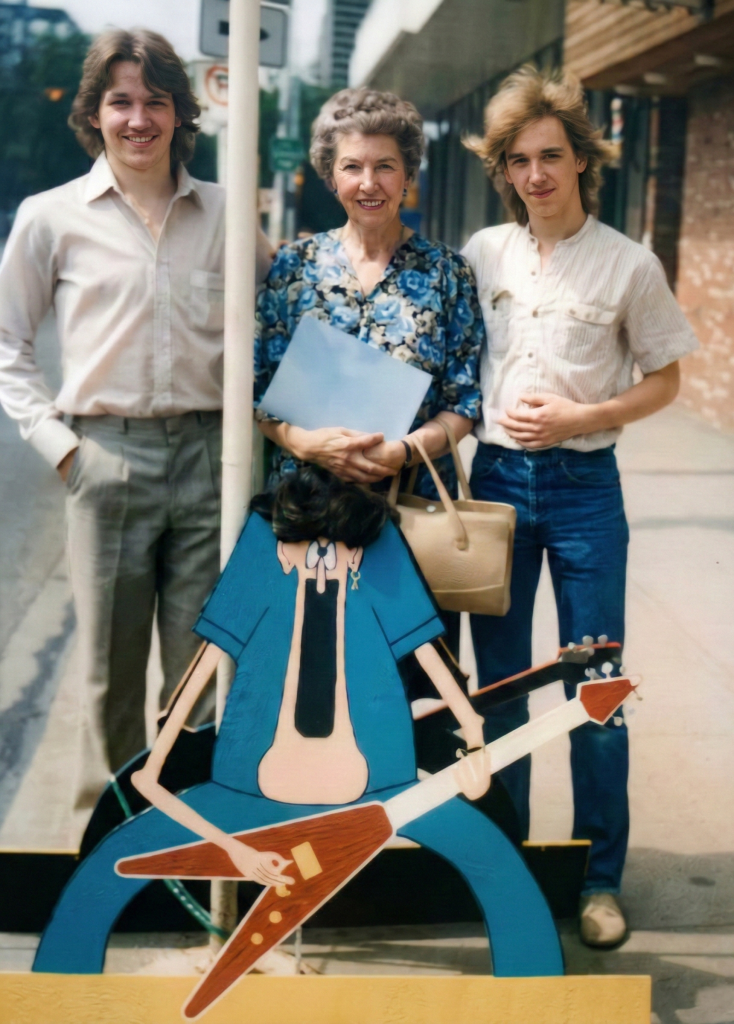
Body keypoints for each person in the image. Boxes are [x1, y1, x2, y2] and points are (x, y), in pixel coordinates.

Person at [33, 467, 563, 980]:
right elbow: (155, 768)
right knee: (103, 873)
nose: (323, 561)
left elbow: (432, 657)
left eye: (338, 550)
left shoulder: (372, 566)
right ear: (283, 550)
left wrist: (476, 748)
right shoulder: (265, 562)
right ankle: (62, 981)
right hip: (252, 786)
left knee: (496, 863)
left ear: (357, 553)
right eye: (307, 549)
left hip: (378, 784)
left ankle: (533, 986)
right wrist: (234, 846)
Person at [0, 29, 273, 808]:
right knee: (108, 674)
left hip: (210, 462)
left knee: (203, 672)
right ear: (95, 113)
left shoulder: (225, 213)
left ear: (181, 113)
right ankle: (113, 836)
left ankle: (188, 831)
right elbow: (7, 343)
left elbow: (285, 313)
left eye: (156, 101)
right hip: (105, 460)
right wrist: (63, 449)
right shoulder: (50, 217)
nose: (139, 119)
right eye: (121, 101)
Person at [461, 66, 698, 947]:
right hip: (495, 485)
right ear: (504, 170)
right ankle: (507, 873)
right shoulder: (484, 253)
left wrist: (583, 417)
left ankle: (599, 881)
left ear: (583, 161)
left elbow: (666, 378)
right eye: (519, 160)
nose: (536, 175)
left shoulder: (630, 263)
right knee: (497, 691)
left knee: (596, 689)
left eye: (551, 156)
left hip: (585, 492)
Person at [254, 87, 484, 498]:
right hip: (306, 503)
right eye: (351, 167)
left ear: (408, 175)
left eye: (385, 167)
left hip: (413, 502)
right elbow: (258, 390)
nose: (368, 183)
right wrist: (303, 443)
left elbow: (463, 404)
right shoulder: (293, 267)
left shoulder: (448, 273)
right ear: (330, 177)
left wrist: (404, 452)